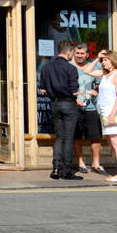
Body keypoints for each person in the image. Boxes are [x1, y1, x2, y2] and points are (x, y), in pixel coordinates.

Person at [39, 39, 82, 180]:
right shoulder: (71, 68)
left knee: (59, 137)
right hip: (68, 104)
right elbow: (74, 91)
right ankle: (67, 171)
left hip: (54, 104)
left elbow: (43, 89)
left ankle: (56, 169)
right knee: (68, 138)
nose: (73, 56)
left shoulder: (46, 68)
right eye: (73, 53)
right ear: (69, 52)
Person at [71, 43, 104, 174]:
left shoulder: (94, 66)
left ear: (87, 54)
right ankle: (81, 162)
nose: (79, 56)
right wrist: (75, 99)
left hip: (91, 106)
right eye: (77, 53)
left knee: (95, 136)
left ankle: (96, 163)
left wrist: (96, 90)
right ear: (73, 53)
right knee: (77, 136)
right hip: (75, 106)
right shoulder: (69, 66)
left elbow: (100, 84)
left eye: (82, 53)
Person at [96, 49, 117, 184]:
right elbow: (87, 71)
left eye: (106, 60)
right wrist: (97, 58)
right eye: (102, 61)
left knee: (116, 142)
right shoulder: (105, 75)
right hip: (105, 112)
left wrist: (112, 114)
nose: (103, 63)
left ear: (113, 60)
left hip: (112, 113)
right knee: (111, 142)